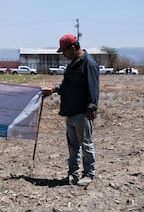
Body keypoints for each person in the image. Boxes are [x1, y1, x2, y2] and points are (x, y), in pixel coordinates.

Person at [45, 34, 99, 186]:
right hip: (70, 111)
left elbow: (93, 87)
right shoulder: (73, 63)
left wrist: (91, 107)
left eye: (64, 51)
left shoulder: (88, 63)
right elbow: (69, 85)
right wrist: (55, 89)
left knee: (86, 144)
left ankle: (88, 174)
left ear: (73, 48)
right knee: (73, 146)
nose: (63, 54)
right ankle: (73, 174)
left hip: (82, 112)